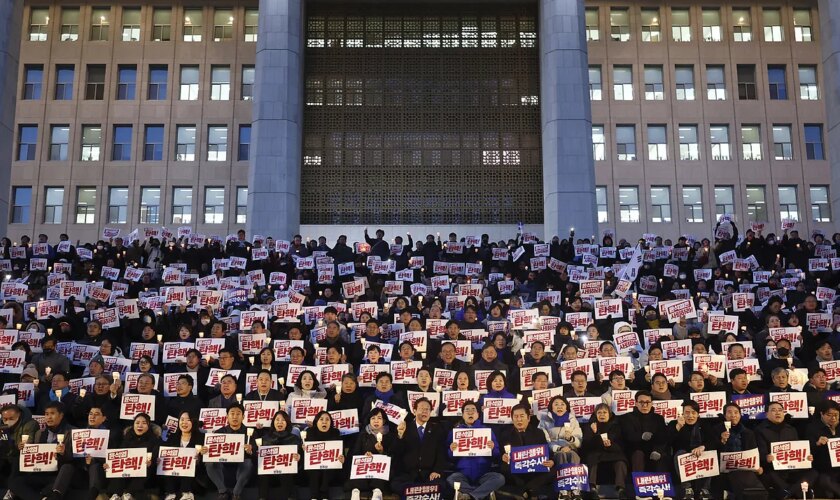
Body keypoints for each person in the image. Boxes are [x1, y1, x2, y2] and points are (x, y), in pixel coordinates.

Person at [9, 401, 74, 500]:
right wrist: (23, 449)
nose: (48, 417)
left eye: (52, 413)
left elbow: (76, 460)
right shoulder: (39, 433)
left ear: (61, 415)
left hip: (58, 475)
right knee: (15, 482)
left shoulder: (71, 432)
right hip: (41, 473)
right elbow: (34, 456)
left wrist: (63, 454)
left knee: (64, 473)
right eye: (46, 414)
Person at [446, 401, 504, 500]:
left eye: (473, 410)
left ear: (478, 414)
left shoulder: (487, 431)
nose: (470, 412)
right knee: (451, 479)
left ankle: (470, 496)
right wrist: (451, 450)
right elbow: (448, 457)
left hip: (483, 474)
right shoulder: (455, 432)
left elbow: (497, 454)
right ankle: (479, 493)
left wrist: (493, 448)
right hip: (462, 474)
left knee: (500, 478)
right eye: (467, 410)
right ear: (463, 415)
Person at [391, 397, 448, 495]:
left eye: (427, 409)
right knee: (395, 484)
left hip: (429, 474)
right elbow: (396, 451)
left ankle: (414, 491)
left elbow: (440, 452)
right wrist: (400, 435)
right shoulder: (404, 427)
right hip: (408, 474)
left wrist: (437, 471)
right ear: (414, 411)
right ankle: (421, 490)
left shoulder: (437, 429)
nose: (425, 411)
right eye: (422, 408)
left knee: (442, 486)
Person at [499, 404, 556, 499]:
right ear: (512, 419)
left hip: (535, 470)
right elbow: (500, 454)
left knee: (553, 470)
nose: (519, 420)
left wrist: (551, 461)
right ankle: (531, 491)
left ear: (528, 418)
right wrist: (503, 457)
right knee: (504, 468)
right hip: (516, 472)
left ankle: (524, 491)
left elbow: (547, 452)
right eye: (516, 417)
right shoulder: (506, 434)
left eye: (522, 416)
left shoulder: (538, 432)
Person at [202, 404, 254, 500]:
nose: (235, 416)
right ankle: (223, 491)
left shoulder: (250, 432)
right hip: (223, 462)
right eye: (232, 414)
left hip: (242, 463)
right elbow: (210, 452)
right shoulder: (219, 432)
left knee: (248, 463)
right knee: (209, 463)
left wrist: (251, 450)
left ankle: (236, 493)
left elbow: (256, 452)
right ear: (227, 417)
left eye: (238, 414)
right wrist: (205, 451)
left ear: (243, 417)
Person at [105, 413, 158, 500]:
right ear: (133, 425)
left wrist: (151, 463)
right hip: (127, 473)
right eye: (137, 423)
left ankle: (129, 494)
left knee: (145, 469)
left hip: (145, 475)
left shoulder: (154, 440)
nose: (140, 425)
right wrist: (109, 465)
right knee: (118, 467)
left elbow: (155, 459)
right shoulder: (127, 438)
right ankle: (116, 495)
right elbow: (119, 457)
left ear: (148, 426)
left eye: (144, 423)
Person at [345, 408, 395, 498]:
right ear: (369, 421)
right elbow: (355, 453)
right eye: (373, 418)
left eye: (379, 418)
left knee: (381, 479)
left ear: (384, 421)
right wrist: (363, 456)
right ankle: (355, 493)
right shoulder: (362, 435)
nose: (376, 421)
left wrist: (381, 451)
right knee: (356, 479)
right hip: (364, 467)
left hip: (380, 470)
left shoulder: (390, 436)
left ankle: (377, 493)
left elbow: (393, 456)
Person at [581, 403, 627, 497]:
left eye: (605, 412)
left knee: (621, 461)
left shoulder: (616, 426)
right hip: (596, 453)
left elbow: (620, 446)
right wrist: (595, 433)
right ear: (595, 414)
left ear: (609, 414)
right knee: (592, 458)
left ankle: (621, 489)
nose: (602, 415)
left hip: (612, 453)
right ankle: (592, 489)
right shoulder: (590, 426)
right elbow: (587, 444)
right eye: (599, 412)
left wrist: (610, 445)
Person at [253, 411, 301, 500]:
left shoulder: (295, 439)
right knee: (262, 474)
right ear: (273, 423)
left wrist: (299, 457)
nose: (280, 422)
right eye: (277, 420)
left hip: (287, 473)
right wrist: (257, 455)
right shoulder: (265, 438)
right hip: (269, 474)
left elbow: (301, 459)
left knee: (287, 472)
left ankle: (290, 497)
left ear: (287, 423)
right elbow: (258, 460)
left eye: (283, 420)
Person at [619, 390, 669, 473]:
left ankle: (660, 484)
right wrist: (641, 436)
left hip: (653, 449)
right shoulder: (627, 417)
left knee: (662, 456)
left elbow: (662, 437)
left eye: (647, 402)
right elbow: (627, 435)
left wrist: (657, 450)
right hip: (635, 449)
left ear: (652, 403)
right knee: (638, 455)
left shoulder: (658, 418)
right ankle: (638, 484)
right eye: (641, 402)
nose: (644, 405)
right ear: (636, 403)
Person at [161, 411, 204, 500]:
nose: (184, 422)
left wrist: (200, 457)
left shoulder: (201, 437)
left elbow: (205, 460)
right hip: (174, 476)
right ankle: (170, 494)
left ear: (193, 422)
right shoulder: (172, 437)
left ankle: (187, 493)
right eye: (182, 419)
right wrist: (160, 460)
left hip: (194, 476)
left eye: (188, 420)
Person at [304, 411, 345, 500]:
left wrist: (342, 458)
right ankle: (314, 496)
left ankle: (324, 494)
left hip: (330, 467)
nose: (324, 422)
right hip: (314, 465)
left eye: (327, 420)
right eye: (321, 419)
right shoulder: (310, 432)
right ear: (316, 421)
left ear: (331, 422)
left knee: (328, 468)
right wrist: (304, 449)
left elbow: (340, 451)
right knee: (314, 471)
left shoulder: (335, 432)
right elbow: (306, 456)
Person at [537, 395, 582, 465]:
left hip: (571, 449)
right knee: (561, 455)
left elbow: (579, 442)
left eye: (562, 404)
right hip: (553, 451)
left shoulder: (573, 421)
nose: (559, 407)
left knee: (572, 455)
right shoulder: (544, 421)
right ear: (551, 408)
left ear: (566, 408)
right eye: (556, 404)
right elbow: (544, 442)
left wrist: (571, 439)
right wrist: (559, 448)